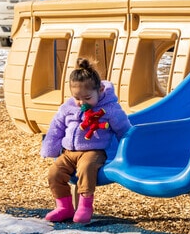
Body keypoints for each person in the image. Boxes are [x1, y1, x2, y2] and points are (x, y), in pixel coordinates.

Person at [40, 58, 131, 223]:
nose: (82, 103)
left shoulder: (109, 109)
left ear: (101, 90)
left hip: (93, 151)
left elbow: (124, 129)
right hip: (68, 152)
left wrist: (128, 151)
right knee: (55, 173)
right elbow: (56, 128)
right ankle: (64, 207)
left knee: (86, 168)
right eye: (77, 98)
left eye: (87, 98)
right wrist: (51, 149)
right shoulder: (67, 108)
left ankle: (85, 206)